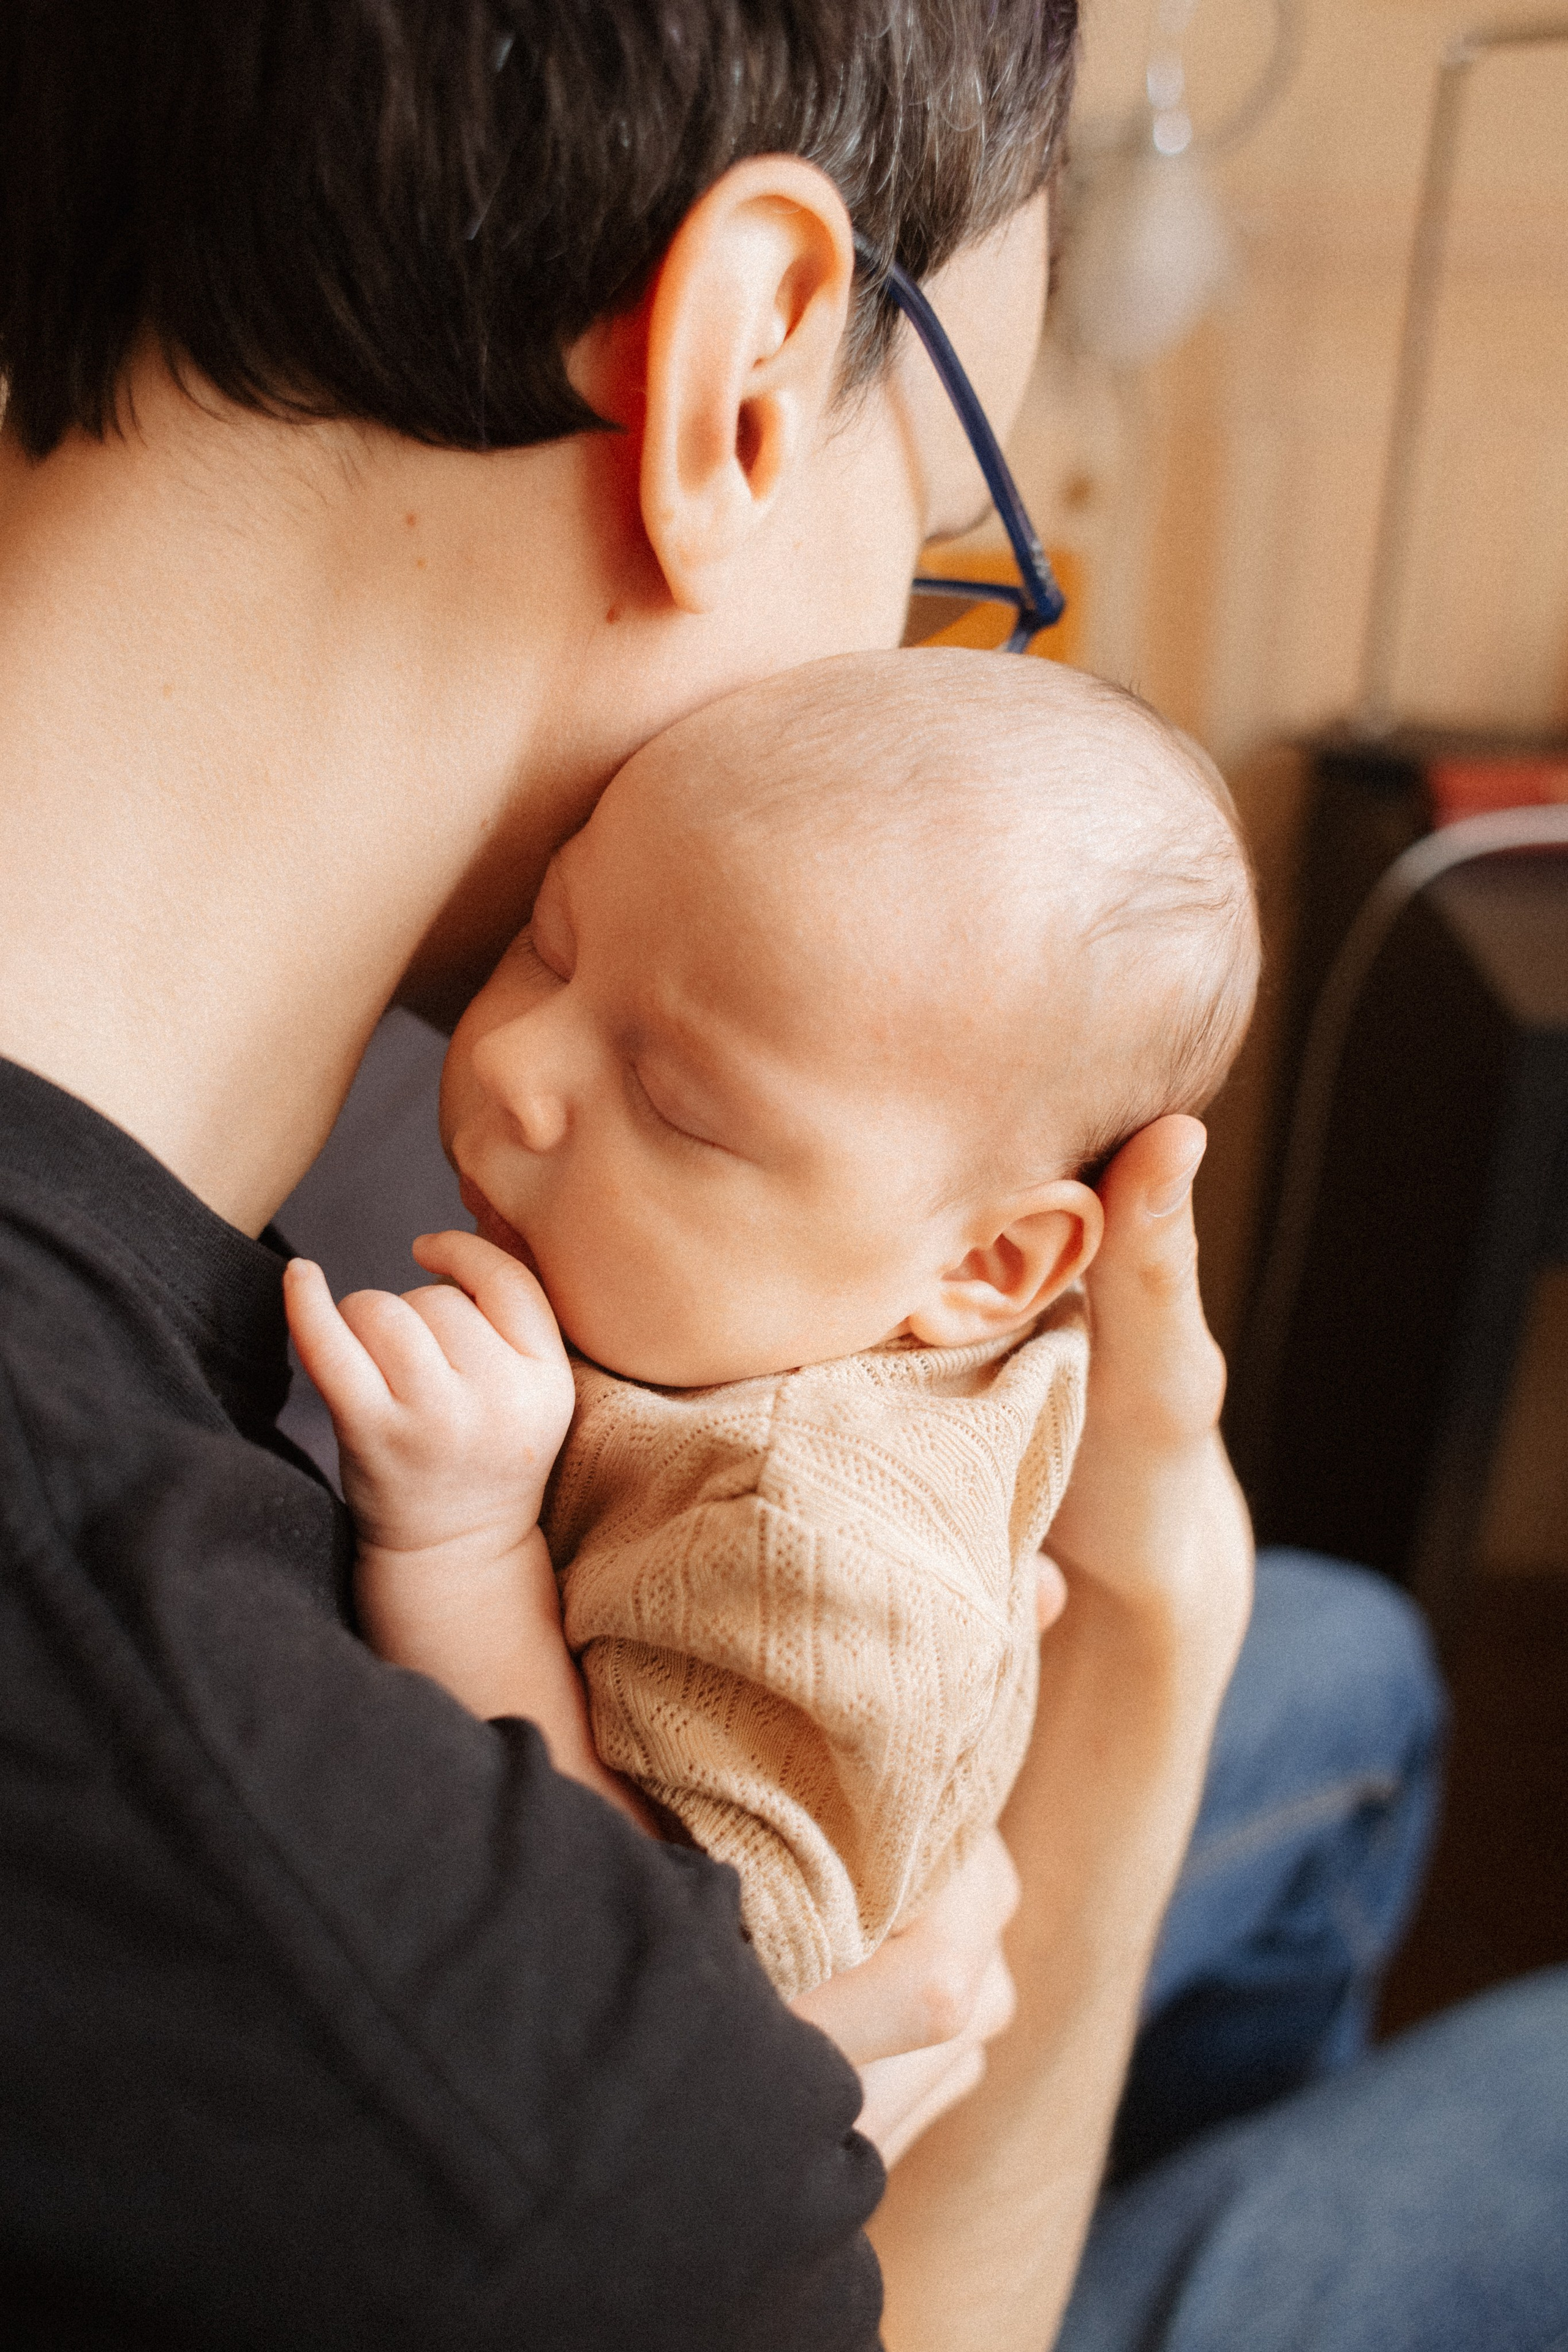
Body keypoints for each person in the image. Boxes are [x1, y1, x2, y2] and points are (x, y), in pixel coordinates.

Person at [1, 6, 1564, 2349]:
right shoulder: (563, 2127)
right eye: (946, 539)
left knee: (1349, 1682)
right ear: (742, 368)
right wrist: (1130, 1698)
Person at [282, 647, 1261, 2005]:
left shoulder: (799, 1543)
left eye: (677, 1103)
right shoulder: (787, 1280)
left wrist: (461, 1545)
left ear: (985, 1261)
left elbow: (652, 1976)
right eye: (547, 944)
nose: (511, 1065)